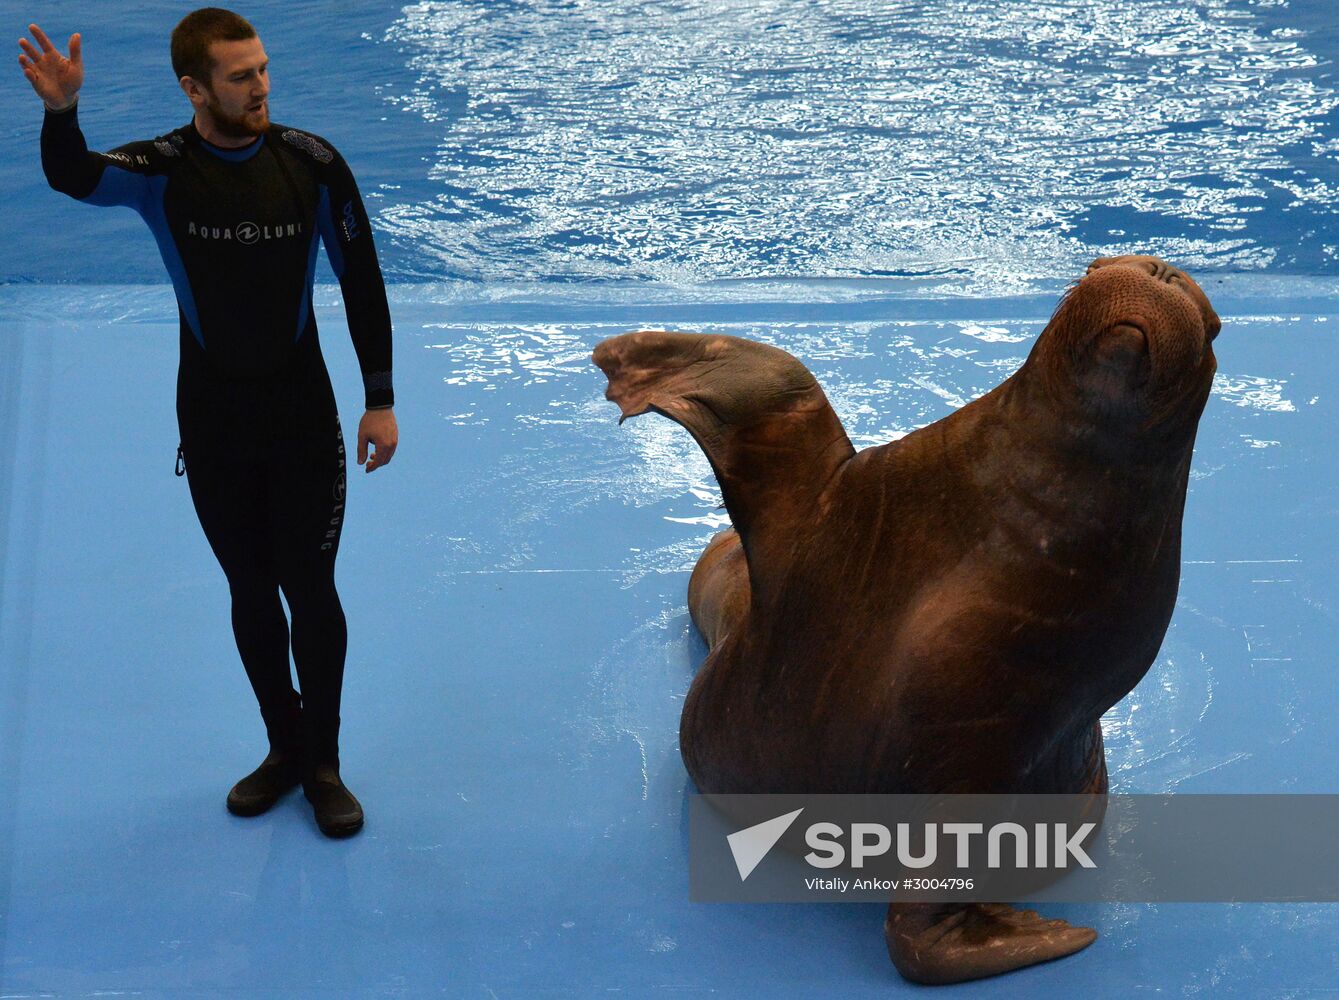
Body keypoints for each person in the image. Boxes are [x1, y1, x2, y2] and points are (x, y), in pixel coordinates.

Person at [18, 9, 398, 837]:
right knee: (250, 589)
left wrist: (380, 398)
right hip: (215, 419)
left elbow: (361, 277)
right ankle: (283, 747)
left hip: (303, 417)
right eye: (240, 76)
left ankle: (325, 764)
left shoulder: (313, 164)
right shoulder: (163, 169)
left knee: (310, 585)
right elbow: (73, 177)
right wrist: (60, 112)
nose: (260, 87)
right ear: (195, 88)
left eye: (262, 69)